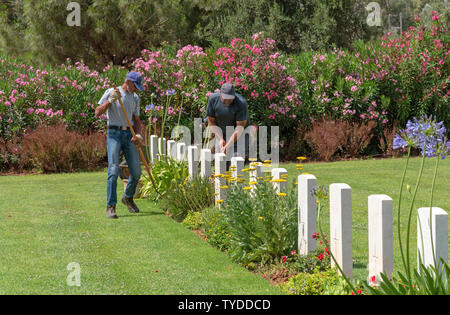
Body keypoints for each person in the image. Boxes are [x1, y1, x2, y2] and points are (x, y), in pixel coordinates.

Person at [95, 71, 145, 219]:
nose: (135, 89)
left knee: (136, 171)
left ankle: (128, 197)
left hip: (129, 136)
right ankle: (111, 206)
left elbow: (136, 120)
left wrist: (139, 134)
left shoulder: (135, 97)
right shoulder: (112, 92)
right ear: (128, 81)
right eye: (135, 86)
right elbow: (97, 112)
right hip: (114, 134)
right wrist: (110, 101)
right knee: (113, 170)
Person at [206, 83, 249, 169]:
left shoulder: (241, 103)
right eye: (225, 98)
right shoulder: (213, 99)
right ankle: (222, 183)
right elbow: (211, 121)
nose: (227, 101)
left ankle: (235, 183)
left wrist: (228, 145)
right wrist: (220, 139)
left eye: (230, 99)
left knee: (236, 166)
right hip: (221, 134)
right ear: (220, 94)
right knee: (221, 165)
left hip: (239, 136)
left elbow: (240, 127)